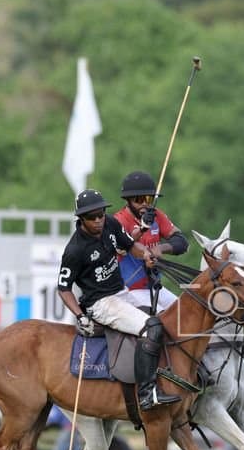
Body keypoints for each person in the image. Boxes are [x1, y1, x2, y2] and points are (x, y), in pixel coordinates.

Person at [57, 188, 178, 411]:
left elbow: (131, 246)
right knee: (150, 328)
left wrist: (147, 254)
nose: (98, 220)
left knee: (167, 323)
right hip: (100, 303)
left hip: (121, 292)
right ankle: (146, 393)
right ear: (81, 219)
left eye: (101, 214)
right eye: (92, 217)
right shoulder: (74, 250)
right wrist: (80, 315)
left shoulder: (111, 224)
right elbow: (63, 288)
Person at [111, 170, 189, 310]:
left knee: (186, 314)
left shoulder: (156, 216)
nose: (145, 204)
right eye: (139, 200)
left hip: (154, 287)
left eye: (149, 199)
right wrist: (143, 228)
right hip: (127, 291)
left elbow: (181, 242)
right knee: (163, 323)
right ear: (128, 200)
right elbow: (123, 245)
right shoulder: (119, 220)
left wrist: (161, 248)